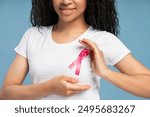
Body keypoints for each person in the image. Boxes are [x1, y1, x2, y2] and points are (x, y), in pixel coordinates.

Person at [1, 0, 150, 100]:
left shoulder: (103, 40)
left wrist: (106, 73)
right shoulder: (33, 36)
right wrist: (50, 87)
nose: (65, 2)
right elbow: (6, 94)